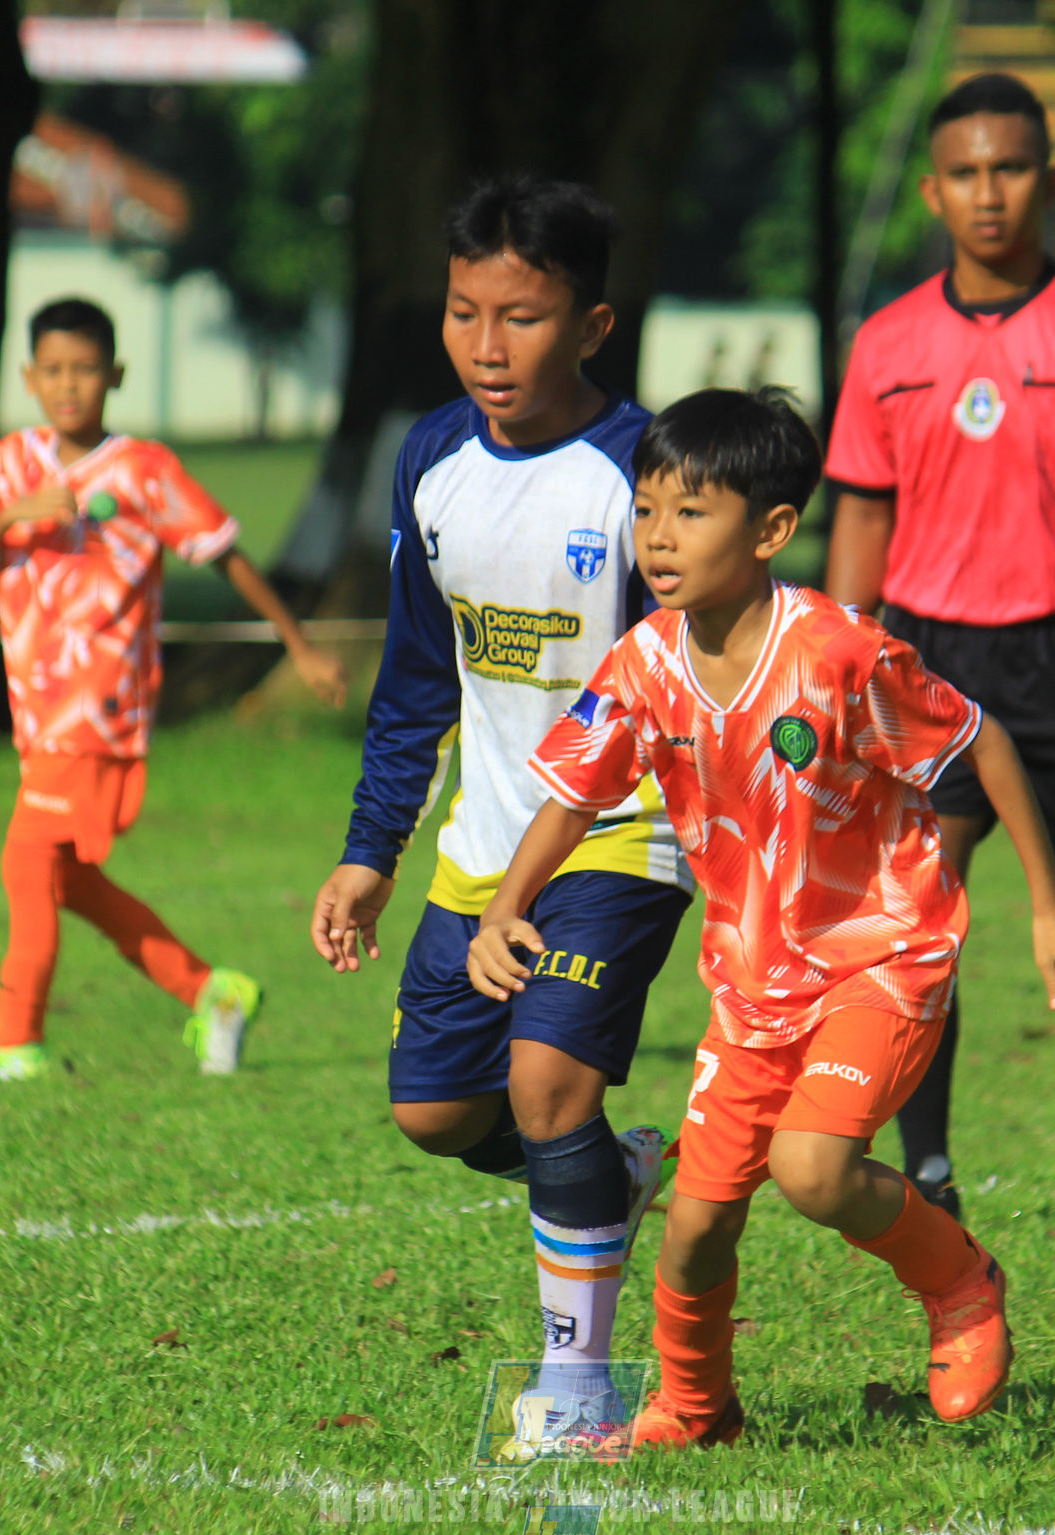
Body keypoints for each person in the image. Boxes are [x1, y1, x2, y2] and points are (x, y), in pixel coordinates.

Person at [470, 388, 1055, 1449]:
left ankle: (960, 1282)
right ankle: (697, 1409)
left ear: (769, 530)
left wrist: (1050, 907)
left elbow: (980, 743)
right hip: (753, 982)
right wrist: (506, 904)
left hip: (883, 957)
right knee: (693, 1230)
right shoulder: (643, 662)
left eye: (690, 513)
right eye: (645, 510)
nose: (658, 538)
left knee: (812, 1169)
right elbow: (576, 792)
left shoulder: (838, 652)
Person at [309, 177, 692, 1450]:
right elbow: (419, 671)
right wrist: (372, 853)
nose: (486, 344)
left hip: (620, 832)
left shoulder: (642, 475)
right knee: (437, 1112)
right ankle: (614, 1175)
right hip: (486, 840)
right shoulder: (431, 458)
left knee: (542, 1087)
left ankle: (577, 1392)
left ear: (591, 325)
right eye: (464, 312)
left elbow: (680, 686)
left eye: (520, 318)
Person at [822, 72, 1055, 1219]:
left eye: (1012, 168)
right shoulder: (888, 342)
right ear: (933, 191)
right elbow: (864, 512)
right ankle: (928, 1172)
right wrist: (843, 658)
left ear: (1052, 177)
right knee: (918, 923)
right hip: (927, 659)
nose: (990, 194)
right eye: (968, 174)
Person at [0, 298, 348, 1083]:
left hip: (96, 710)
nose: (69, 385)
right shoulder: (11, 463)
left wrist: (297, 645)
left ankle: (17, 1045)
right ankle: (212, 989)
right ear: (29, 377)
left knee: (26, 864)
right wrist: (12, 516)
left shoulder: (143, 470)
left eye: (85, 369)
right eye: (53, 370)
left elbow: (224, 551)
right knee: (70, 881)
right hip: (37, 714)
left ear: (114, 375)